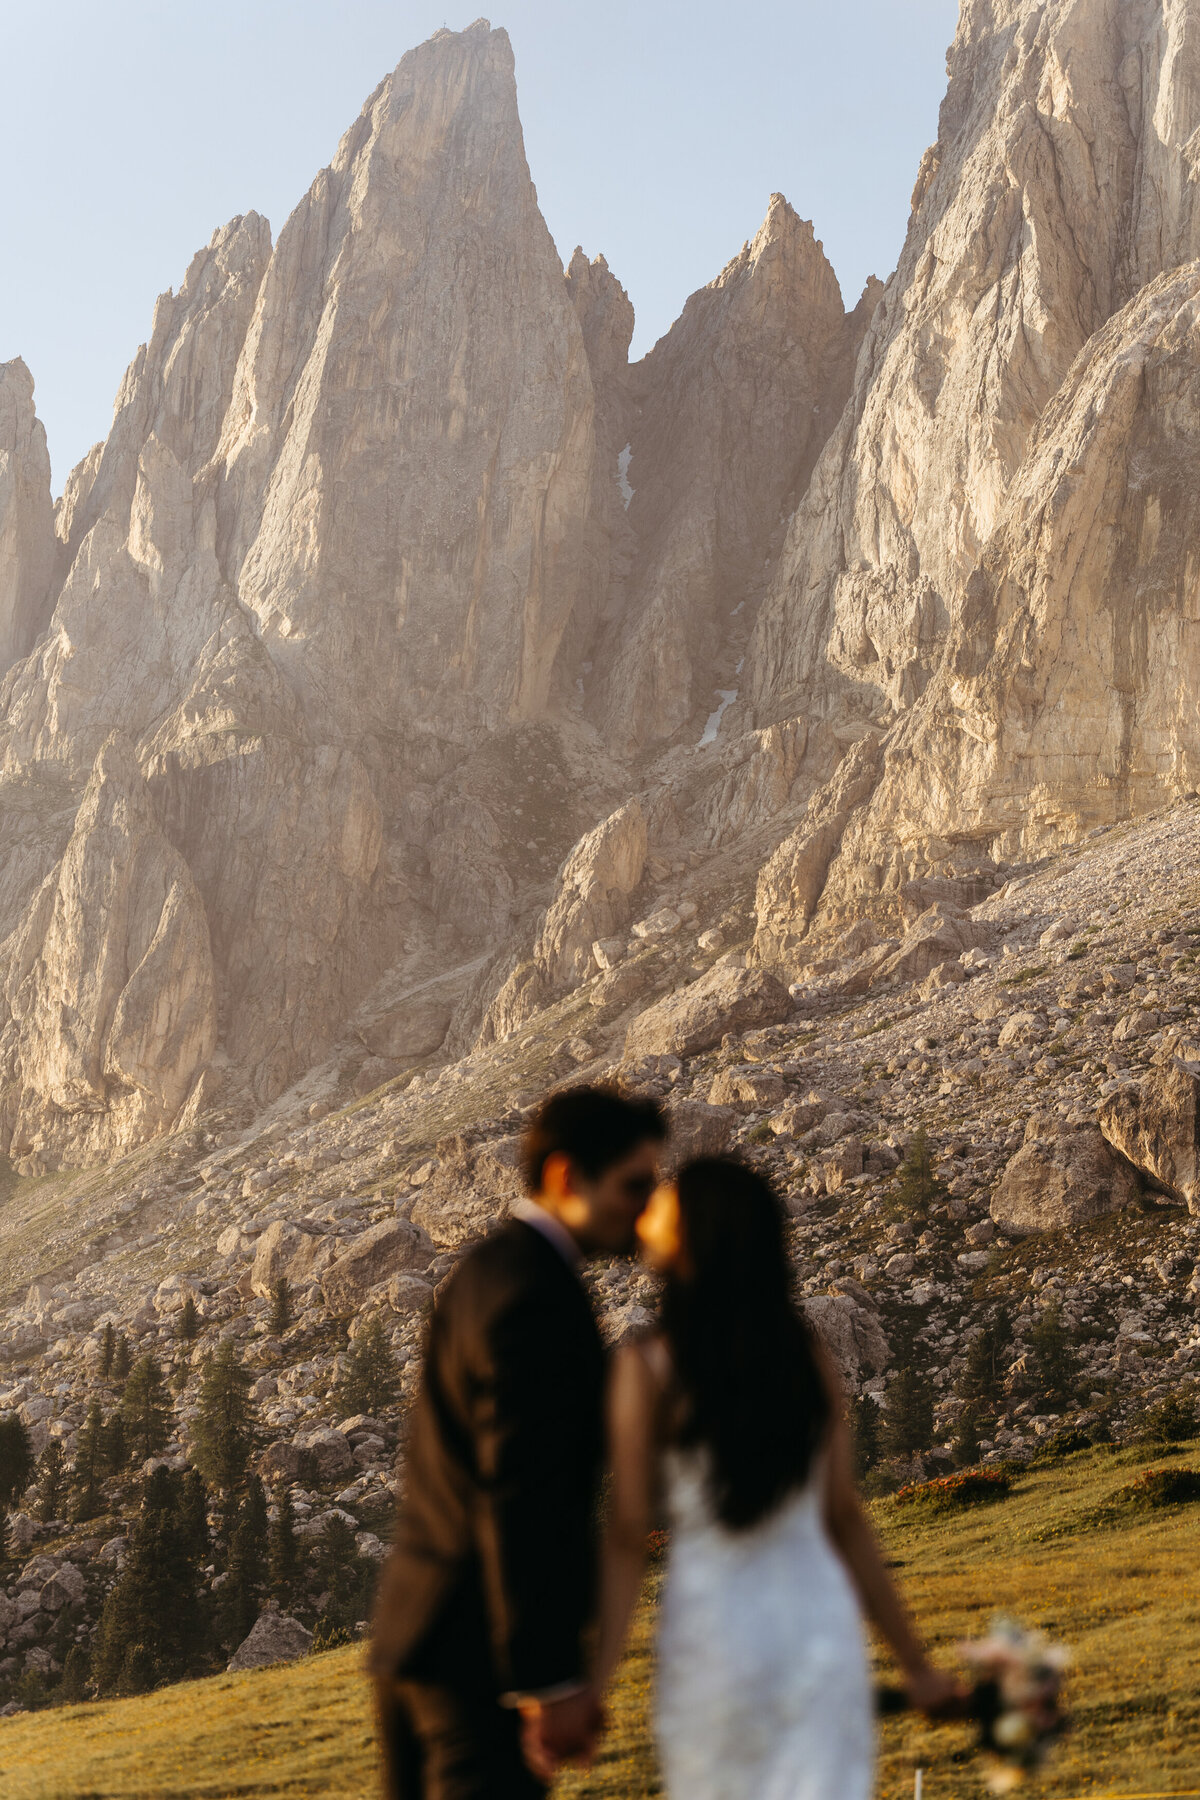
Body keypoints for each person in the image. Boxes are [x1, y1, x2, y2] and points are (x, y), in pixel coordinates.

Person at [593, 1155, 958, 1800]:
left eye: (665, 1212)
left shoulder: (647, 1367)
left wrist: (593, 1688)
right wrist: (916, 1666)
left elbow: (627, 1536)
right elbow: (843, 1518)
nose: (646, 1219)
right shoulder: (802, 1355)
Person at [369, 1085, 666, 1800]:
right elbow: (520, 1492)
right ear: (567, 1177)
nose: (647, 1208)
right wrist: (547, 1680)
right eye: (633, 1186)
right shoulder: (536, 1296)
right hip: (478, 1666)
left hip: (417, 1634)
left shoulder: (485, 1270)